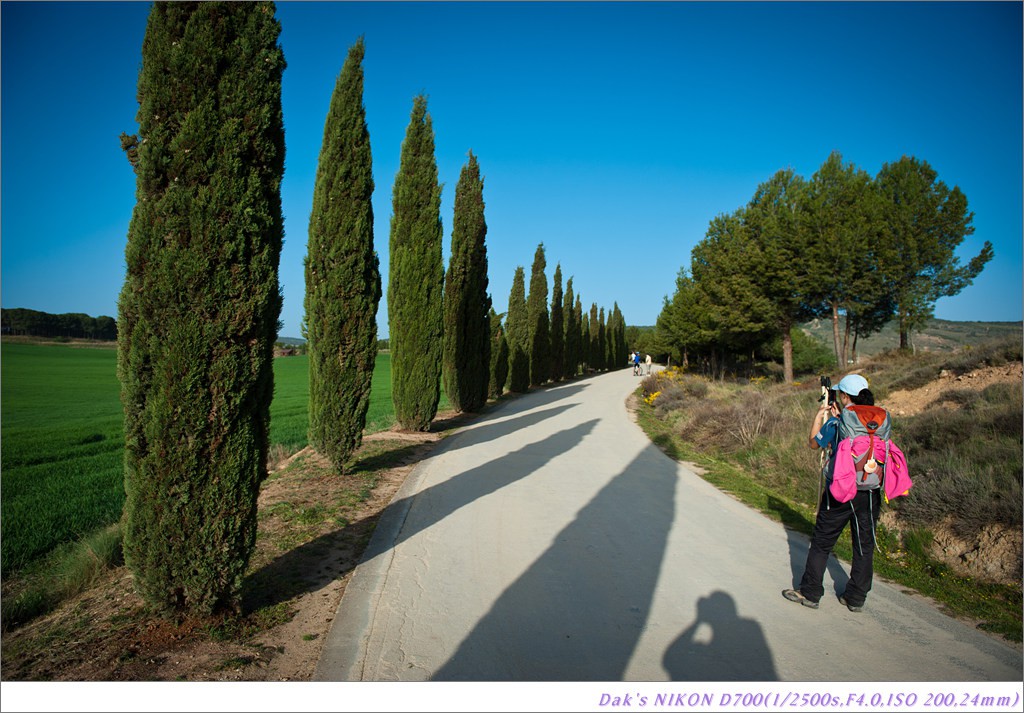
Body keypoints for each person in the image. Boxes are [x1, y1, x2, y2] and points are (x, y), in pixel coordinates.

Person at [783, 373, 882, 613]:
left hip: (841, 490)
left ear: (845, 396)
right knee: (863, 546)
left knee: (822, 543)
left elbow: (813, 443)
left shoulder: (837, 422)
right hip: (870, 490)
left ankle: (810, 592)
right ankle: (855, 598)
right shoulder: (878, 421)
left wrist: (820, 415)